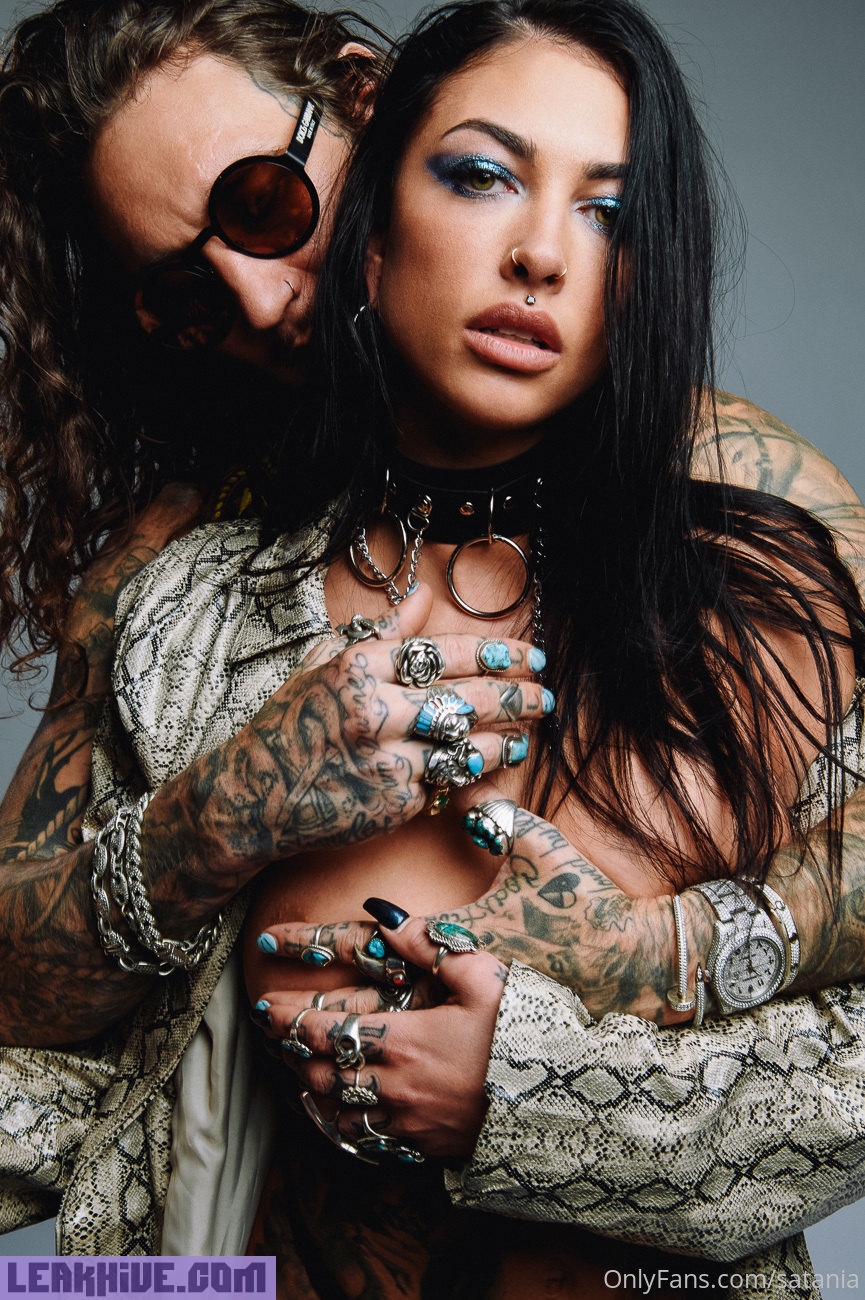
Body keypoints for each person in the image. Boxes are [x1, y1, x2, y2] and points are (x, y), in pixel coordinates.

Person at [1, 0, 865, 1288]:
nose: (262, 298)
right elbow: (41, 1034)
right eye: (186, 290)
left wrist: (606, 1024)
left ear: (368, 108)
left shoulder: (746, 519)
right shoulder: (187, 582)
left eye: (264, 206)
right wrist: (217, 817)